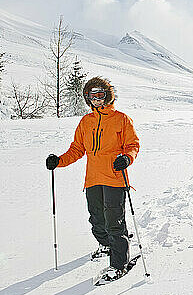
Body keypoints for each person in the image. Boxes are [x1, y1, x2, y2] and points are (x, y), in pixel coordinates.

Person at [45, 76, 140, 281]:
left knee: (114, 221)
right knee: (96, 218)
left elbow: (133, 145)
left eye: (100, 95)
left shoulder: (121, 119)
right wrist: (58, 161)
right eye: (92, 96)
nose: (97, 99)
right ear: (87, 98)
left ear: (108, 96)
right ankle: (105, 245)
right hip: (93, 179)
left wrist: (126, 158)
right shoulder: (86, 122)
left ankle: (119, 263)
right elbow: (77, 149)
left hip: (115, 177)